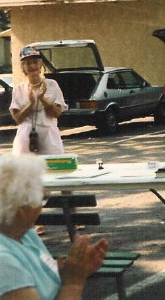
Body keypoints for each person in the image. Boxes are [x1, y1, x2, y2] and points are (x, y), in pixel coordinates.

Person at [0, 153, 109, 300]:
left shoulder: (25, 235)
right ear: (21, 209)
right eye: (42, 198)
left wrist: (69, 270)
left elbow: (42, 280)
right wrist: (73, 282)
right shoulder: (4, 262)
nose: (41, 207)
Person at [10, 46, 67, 155]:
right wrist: (31, 104)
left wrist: (42, 99)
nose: (32, 66)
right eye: (28, 63)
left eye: (35, 62)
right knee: (25, 170)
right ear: (23, 67)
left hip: (49, 137)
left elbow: (56, 113)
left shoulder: (52, 84)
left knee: (53, 169)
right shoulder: (18, 89)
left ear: (40, 65)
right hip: (25, 138)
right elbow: (18, 119)